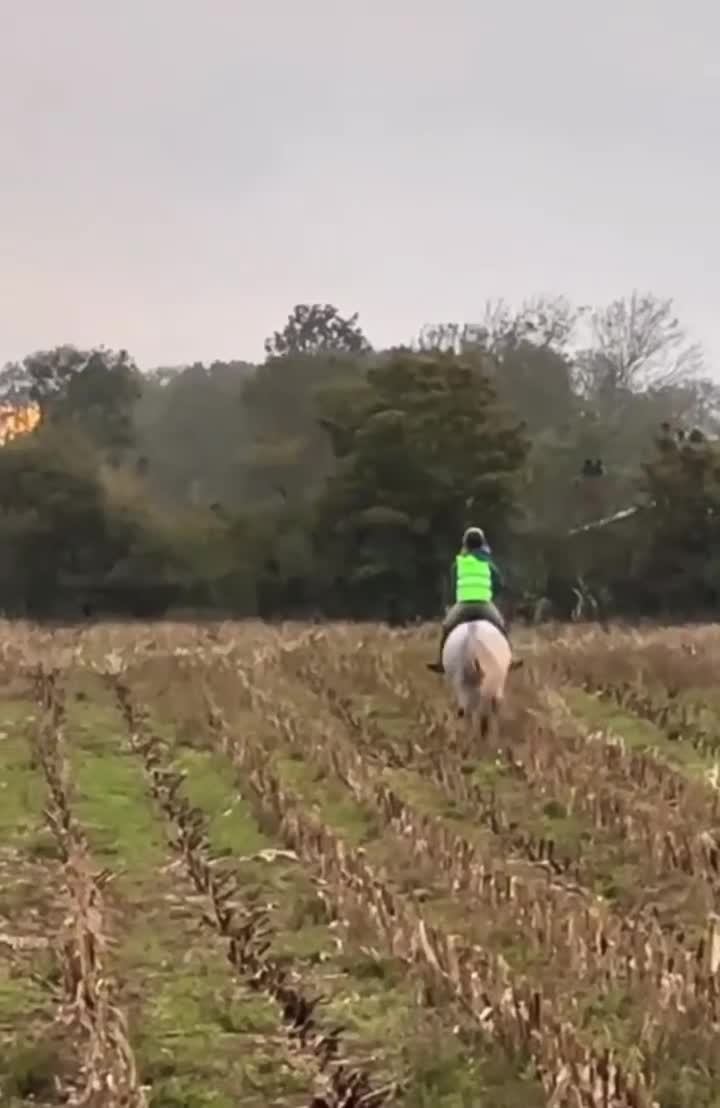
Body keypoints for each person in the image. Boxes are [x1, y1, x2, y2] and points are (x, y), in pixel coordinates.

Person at [427, 526, 508, 674]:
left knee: (446, 627)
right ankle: (509, 660)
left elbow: (453, 587)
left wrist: (452, 602)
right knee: (501, 626)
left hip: (463, 605)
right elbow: (499, 583)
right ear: (482, 543)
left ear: (465, 544)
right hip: (484, 604)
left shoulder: (458, 563)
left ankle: (441, 662)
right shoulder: (488, 563)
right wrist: (490, 595)